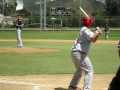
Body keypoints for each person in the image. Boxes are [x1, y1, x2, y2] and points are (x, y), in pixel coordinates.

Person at [68, 15, 102, 90]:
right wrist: (97, 31)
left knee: (79, 70)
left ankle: (72, 86)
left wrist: (97, 33)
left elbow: (94, 40)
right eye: (91, 21)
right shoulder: (85, 30)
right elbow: (93, 38)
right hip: (79, 53)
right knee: (89, 71)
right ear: (89, 22)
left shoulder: (85, 29)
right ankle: (86, 88)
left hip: (75, 52)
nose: (92, 22)